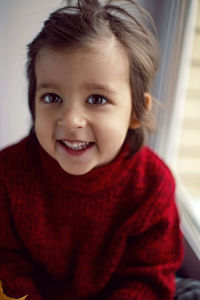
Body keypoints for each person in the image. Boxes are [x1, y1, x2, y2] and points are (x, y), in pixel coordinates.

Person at [0, 0, 183, 299]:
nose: (70, 119)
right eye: (52, 97)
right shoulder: (8, 172)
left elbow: (149, 278)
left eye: (97, 99)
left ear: (136, 113)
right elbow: (7, 263)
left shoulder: (152, 185)